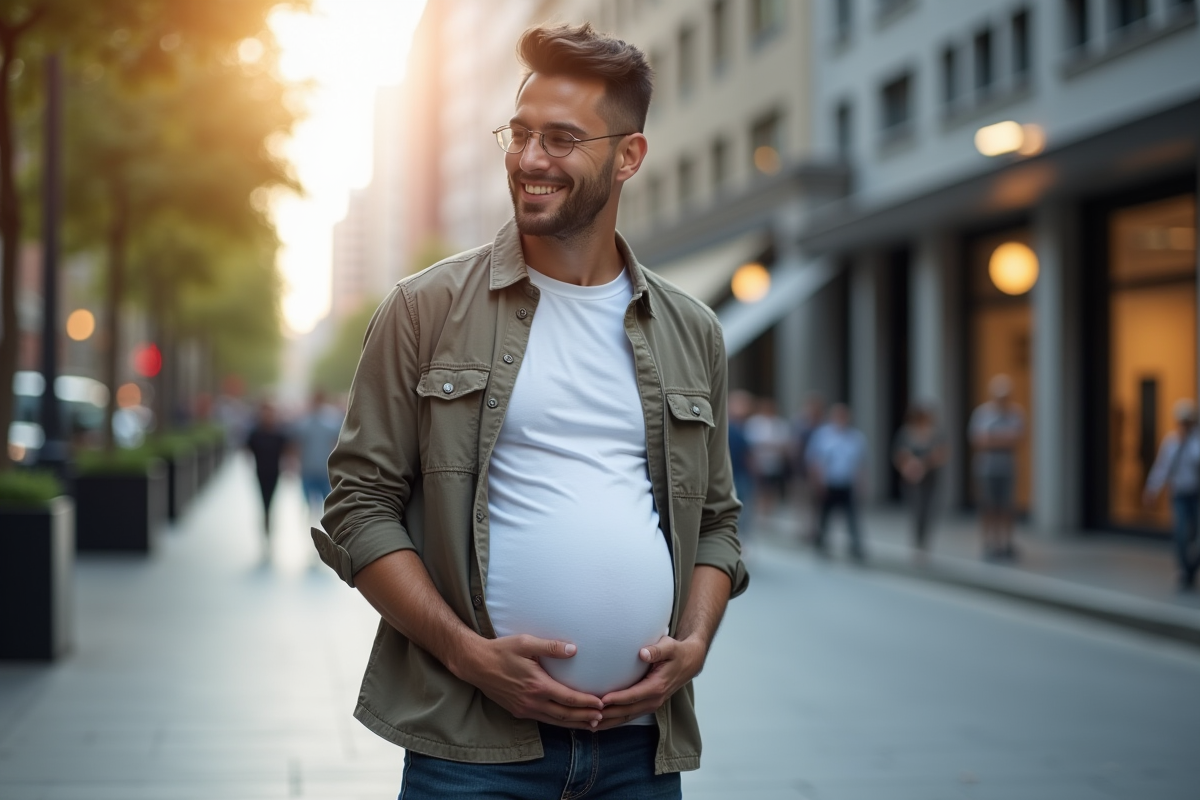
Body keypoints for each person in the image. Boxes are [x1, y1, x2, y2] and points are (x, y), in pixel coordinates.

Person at [312, 24, 746, 799]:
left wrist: (696, 644)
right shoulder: (423, 310)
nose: (529, 159)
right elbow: (358, 508)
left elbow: (716, 522)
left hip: (638, 753)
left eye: (561, 138)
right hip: (471, 752)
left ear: (629, 157)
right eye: (519, 134)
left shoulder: (693, 331)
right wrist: (466, 653)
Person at [1144, 399, 1200, 591]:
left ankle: (1191, 569)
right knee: (1181, 533)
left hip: (1196, 495)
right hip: (1179, 495)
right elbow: (1162, 467)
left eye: (1188, 421)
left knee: (1197, 538)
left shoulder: (1196, 442)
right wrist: (1152, 489)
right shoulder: (1171, 442)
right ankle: (1185, 571)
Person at [969, 374, 1025, 561]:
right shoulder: (982, 413)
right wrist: (1003, 438)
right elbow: (979, 440)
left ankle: (1006, 543)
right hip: (986, 468)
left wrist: (993, 438)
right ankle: (989, 543)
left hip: (1007, 468)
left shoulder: (1016, 413)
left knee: (1007, 507)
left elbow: (1017, 439)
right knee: (988, 506)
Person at [806, 403, 868, 561]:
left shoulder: (855, 437)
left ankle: (855, 547)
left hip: (846, 482)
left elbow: (859, 463)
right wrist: (817, 481)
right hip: (828, 482)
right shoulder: (822, 436)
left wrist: (860, 483)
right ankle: (821, 543)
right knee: (825, 515)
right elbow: (814, 460)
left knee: (852, 516)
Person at [892, 402, 948, 553]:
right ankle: (917, 542)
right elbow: (899, 454)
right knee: (917, 511)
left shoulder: (935, 433)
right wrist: (909, 466)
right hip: (912, 479)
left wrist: (924, 464)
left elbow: (942, 453)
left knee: (929, 511)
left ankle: (924, 543)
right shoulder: (906, 432)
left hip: (931, 478)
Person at [292, 391, 343, 521]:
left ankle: (322, 520)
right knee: (311, 499)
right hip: (309, 468)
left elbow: (336, 442)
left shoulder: (330, 420)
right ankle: (314, 519)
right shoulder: (305, 422)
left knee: (326, 499)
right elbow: (298, 444)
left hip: (323, 468)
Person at [245, 401, 289, 545]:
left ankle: (269, 523)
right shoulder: (255, 433)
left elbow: (286, 450)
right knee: (264, 500)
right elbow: (248, 449)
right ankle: (266, 524)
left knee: (271, 500)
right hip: (260, 472)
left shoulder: (279, 433)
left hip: (274, 472)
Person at [744, 397, 793, 518]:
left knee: (772, 488)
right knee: (759, 488)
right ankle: (760, 512)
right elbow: (750, 444)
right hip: (759, 462)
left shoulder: (780, 424)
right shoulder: (754, 423)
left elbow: (785, 444)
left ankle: (769, 511)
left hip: (775, 463)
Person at [727, 390, 756, 540]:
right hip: (727, 474)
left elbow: (750, 454)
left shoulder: (749, 427)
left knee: (743, 507)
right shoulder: (725, 426)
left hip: (742, 474)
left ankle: (740, 538)